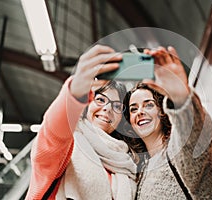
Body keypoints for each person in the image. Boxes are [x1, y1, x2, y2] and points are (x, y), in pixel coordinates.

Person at [25, 44, 137, 200]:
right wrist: (75, 92)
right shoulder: (69, 145)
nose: (107, 108)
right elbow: (52, 138)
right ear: (88, 103)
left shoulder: (126, 165)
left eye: (117, 106)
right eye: (100, 100)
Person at [122, 46, 212, 199]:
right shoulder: (138, 173)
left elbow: (196, 136)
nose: (140, 111)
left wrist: (180, 98)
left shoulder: (177, 150)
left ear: (162, 112)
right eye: (133, 109)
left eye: (148, 104)